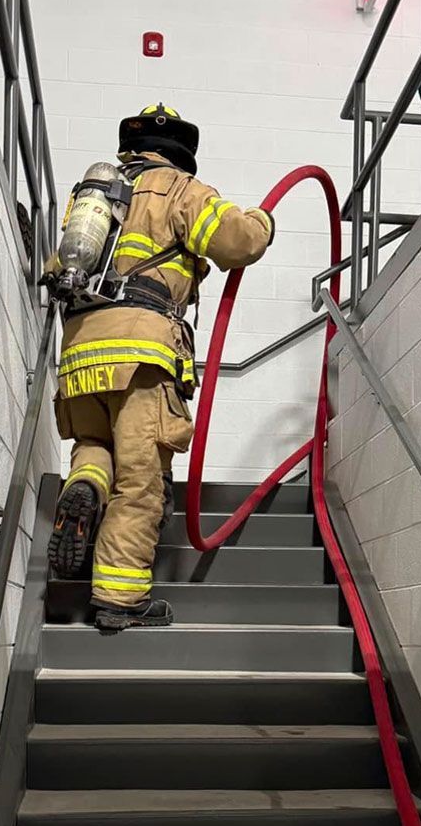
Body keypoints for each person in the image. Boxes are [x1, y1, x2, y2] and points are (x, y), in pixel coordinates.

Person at [44, 104, 273, 632]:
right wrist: (263, 220)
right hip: (141, 352)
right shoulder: (180, 189)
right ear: (182, 152)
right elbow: (237, 242)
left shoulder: (94, 197)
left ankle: (84, 488)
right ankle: (120, 599)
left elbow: (61, 268)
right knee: (141, 480)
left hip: (78, 353)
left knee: (94, 445)